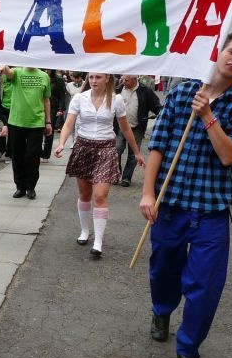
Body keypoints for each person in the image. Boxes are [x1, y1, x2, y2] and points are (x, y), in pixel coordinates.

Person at [139, 32, 232, 358]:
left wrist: (208, 116)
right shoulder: (180, 94)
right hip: (170, 203)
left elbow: (227, 156)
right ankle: (161, 311)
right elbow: (158, 146)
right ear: (219, 53)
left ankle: (188, 348)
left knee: (206, 284)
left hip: (210, 210)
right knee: (164, 270)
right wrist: (148, 194)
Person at [54, 73, 144, 258]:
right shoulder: (79, 98)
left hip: (106, 149)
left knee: (100, 195)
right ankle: (85, 231)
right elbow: (69, 123)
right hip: (84, 148)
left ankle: (98, 242)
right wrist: (61, 143)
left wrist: (136, 152)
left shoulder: (116, 100)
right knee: (85, 194)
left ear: (107, 79)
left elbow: (125, 128)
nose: (94, 81)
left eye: (98, 77)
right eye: (92, 77)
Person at [0, 64, 51, 200]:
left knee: (32, 156)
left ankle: (31, 187)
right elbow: (8, 73)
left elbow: (46, 100)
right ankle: (20, 187)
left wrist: (48, 121)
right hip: (16, 121)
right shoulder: (17, 72)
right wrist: (4, 67)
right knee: (17, 156)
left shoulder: (44, 76)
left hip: (36, 122)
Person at [115, 74, 162, 187]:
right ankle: (117, 174)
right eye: (122, 79)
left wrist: (161, 113)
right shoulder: (118, 89)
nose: (123, 81)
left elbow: (156, 106)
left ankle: (126, 177)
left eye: (126, 79)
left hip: (137, 127)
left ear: (134, 79)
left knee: (133, 154)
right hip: (119, 126)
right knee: (117, 150)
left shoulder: (145, 91)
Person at [41, 68, 67, 162]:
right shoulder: (41, 77)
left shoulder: (58, 79)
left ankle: (46, 155)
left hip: (53, 107)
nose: (47, 70)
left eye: (49, 69)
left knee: (49, 130)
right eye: (45, 68)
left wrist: (61, 109)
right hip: (40, 106)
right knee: (38, 130)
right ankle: (39, 152)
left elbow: (62, 95)